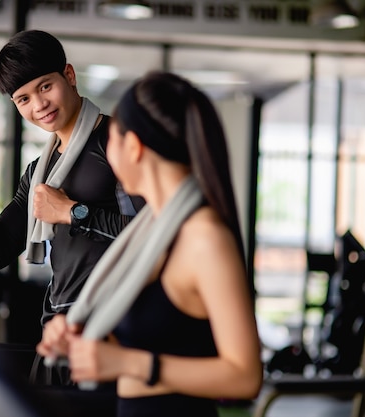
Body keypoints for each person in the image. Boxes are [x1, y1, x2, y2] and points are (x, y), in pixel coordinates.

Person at [0, 29, 144, 388]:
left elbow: (156, 236)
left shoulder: (119, 144)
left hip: (113, 330)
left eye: (45, 86)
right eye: (23, 99)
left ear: (68, 76)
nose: (38, 104)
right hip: (60, 327)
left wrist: (74, 212)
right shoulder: (41, 172)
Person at [36, 71, 263, 417]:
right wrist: (81, 340)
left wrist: (129, 363)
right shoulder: (151, 229)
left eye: (111, 137)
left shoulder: (204, 237)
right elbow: (157, 335)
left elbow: (245, 377)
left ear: (133, 146)